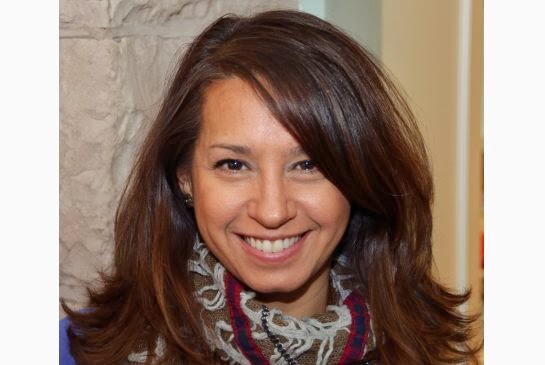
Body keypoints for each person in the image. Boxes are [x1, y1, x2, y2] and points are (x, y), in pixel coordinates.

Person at [61, 9, 481, 365]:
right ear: (184, 177)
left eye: (308, 164)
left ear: (359, 175)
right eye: (233, 164)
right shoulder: (76, 351)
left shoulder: (426, 349)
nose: (273, 210)